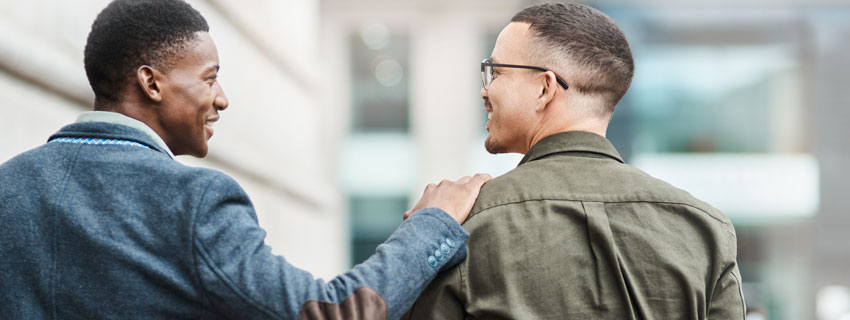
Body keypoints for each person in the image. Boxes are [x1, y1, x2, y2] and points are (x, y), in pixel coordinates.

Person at [0, 0, 491, 319]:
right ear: (151, 83)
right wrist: (433, 224)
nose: (222, 99)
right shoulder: (194, 201)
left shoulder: (10, 185)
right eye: (210, 78)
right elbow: (340, 311)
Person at [403, 3, 746, 319]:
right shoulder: (704, 228)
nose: (485, 90)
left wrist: (421, 238)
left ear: (545, 88)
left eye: (496, 72)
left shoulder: (459, 225)